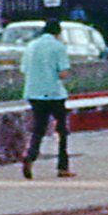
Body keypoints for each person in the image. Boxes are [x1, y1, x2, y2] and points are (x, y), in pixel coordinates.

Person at [21, 21, 74, 179]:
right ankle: (62, 168)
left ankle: (30, 156)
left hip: (33, 93)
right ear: (58, 32)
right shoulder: (58, 46)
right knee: (62, 131)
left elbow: (24, 69)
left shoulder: (30, 46)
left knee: (39, 129)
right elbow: (63, 73)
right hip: (54, 93)